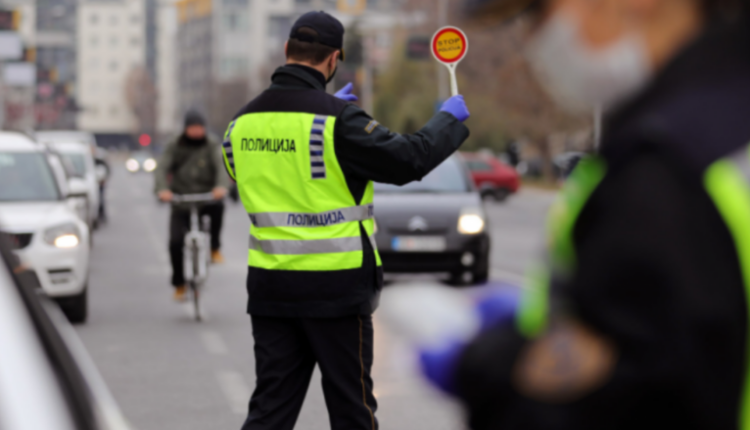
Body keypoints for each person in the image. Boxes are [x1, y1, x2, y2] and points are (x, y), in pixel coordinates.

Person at [410, 0, 750, 429]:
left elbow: (621, 403)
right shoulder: (718, 126)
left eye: (541, 14)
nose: (535, 41)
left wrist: (488, 369)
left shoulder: (662, 172)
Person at [220, 10, 471, 430]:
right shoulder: (337, 121)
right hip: (335, 288)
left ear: (286, 52)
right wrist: (447, 119)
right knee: (352, 409)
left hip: (271, 287)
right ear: (335, 59)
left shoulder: (238, 124)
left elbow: (243, 174)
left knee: (270, 409)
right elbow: (408, 159)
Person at [155, 111, 230, 302]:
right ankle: (179, 284)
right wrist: (163, 189)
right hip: (181, 200)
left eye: (200, 127)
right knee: (175, 243)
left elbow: (221, 166)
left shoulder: (212, 144)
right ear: (186, 128)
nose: (197, 131)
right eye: (193, 127)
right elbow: (162, 167)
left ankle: (214, 248)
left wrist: (221, 186)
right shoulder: (175, 145)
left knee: (219, 208)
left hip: (206, 197)